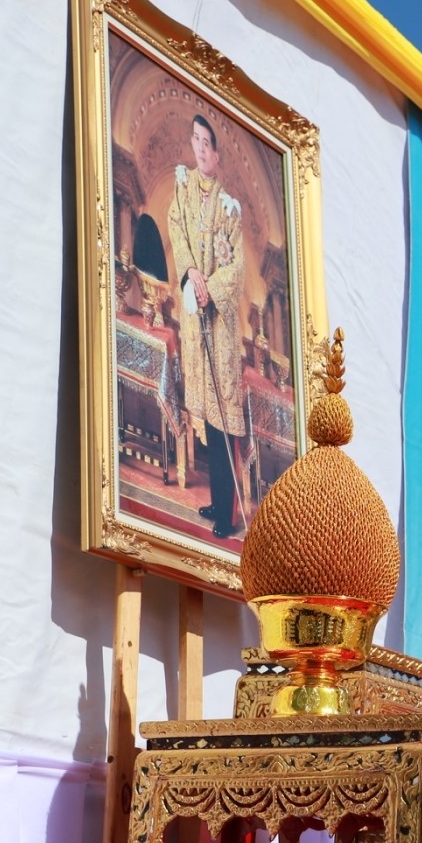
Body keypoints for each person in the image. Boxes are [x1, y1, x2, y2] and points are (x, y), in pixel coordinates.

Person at [166, 113, 249, 539]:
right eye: (195, 139)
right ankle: (217, 500)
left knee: (223, 422)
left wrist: (209, 289)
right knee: (208, 418)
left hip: (219, 326)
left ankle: (228, 516)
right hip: (195, 325)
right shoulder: (182, 189)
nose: (200, 148)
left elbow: (238, 268)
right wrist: (190, 272)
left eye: (207, 142)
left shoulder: (229, 208)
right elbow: (176, 229)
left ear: (217, 154)